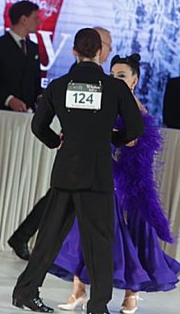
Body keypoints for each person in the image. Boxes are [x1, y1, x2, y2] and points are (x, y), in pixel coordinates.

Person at [12, 27, 143, 314]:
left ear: (74, 51)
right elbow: (136, 128)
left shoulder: (59, 86)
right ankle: (97, 306)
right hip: (96, 174)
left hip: (65, 172)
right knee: (100, 242)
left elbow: (38, 126)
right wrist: (113, 138)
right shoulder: (114, 88)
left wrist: (55, 141)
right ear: (99, 52)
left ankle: (25, 292)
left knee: (49, 237)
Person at [51, 54, 180, 314]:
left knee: (131, 232)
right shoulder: (105, 100)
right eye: (112, 75)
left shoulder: (137, 109)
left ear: (134, 81)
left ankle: (131, 292)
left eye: (121, 76)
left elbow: (134, 144)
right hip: (100, 172)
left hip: (128, 179)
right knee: (82, 227)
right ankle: (78, 289)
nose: (115, 80)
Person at [6, 26, 112, 260]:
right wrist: (57, 141)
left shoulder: (97, 76)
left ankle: (28, 239)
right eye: (107, 45)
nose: (109, 51)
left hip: (85, 149)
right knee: (62, 200)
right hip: (78, 149)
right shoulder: (82, 75)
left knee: (61, 199)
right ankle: (38, 246)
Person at [0, 0, 42, 111]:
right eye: (35, 18)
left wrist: (40, 97)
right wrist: (9, 100)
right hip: (0, 112)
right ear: (23, 19)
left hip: (27, 113)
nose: (39, 22)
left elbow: (35, 81)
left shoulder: (33, 48)